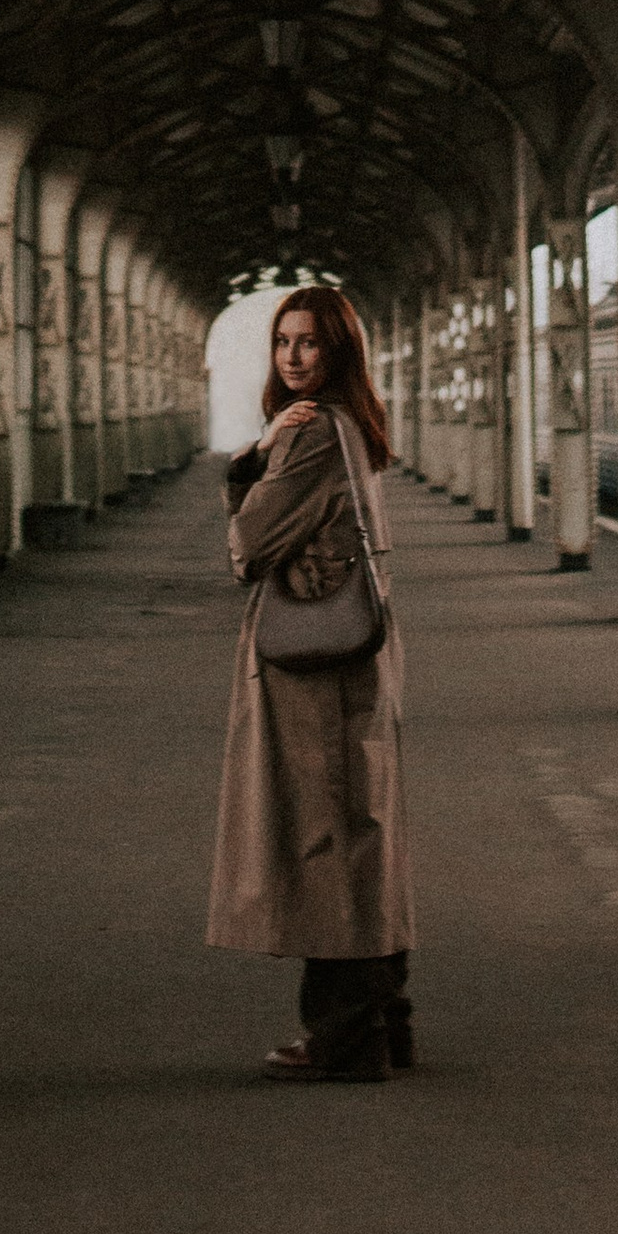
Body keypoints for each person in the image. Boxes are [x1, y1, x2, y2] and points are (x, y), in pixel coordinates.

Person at [207, 284, 416, 1082]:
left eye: (309, 342)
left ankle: (344, 1040)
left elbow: (248, 545)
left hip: (317, 671)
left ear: (338, 351)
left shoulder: (311, 433)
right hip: (354, 658)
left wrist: (255, 456)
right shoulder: (352, 425)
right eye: (283, 342)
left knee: (326, 842)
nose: (293, 357)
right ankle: (386, 1024)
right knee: (364, 835)